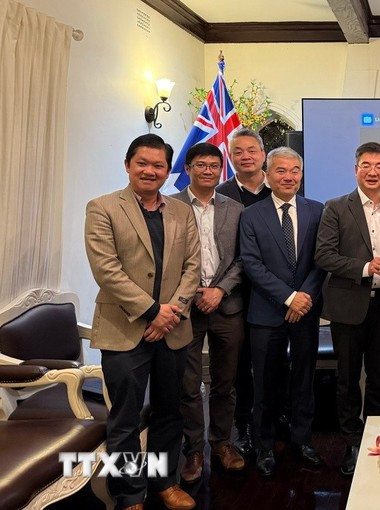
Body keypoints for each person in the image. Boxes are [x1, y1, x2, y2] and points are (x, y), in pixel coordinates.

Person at [84, 134, 200, 510]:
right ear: (128, 165)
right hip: (124, 329)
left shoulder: (182, 212)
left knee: (170, 411)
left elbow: (192, 267)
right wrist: (154, 311)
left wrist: (172, 313)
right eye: (143, 163)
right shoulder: (102, 208)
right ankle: (129, 495)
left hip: (173, 330)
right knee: (125, 418)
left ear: (169, 170)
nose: (151, 171)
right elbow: (107, 271)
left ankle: (164, 483)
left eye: (159, 165)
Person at [314, 142, 380, 476]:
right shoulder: (336, 207)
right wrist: (366, 267)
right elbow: (324, 256)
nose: (373, 171)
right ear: (356, 169)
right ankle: (352, 441)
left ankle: (377, 439)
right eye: (366, 165)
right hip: (347, 306)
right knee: (348, 378)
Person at [238, 147, 326, 476]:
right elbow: (251, 264)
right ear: (267, 174)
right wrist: (289, 297)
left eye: (295, 171)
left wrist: (304, 297)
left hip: (306, 311)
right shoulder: (251, 215)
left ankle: (302, 440)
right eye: (280, 171)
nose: (288, 177)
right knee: (264, 383)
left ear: (301, 175)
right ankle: (264, 446)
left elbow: (323, 261)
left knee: (304, 379)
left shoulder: (317, 211)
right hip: (266, 313)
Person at [171, 142, 246, 482]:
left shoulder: (236, 209)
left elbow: (245, 258)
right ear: (188, 168)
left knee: (225, 382)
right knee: (188, 385)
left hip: (226, 305)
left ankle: (221, 443)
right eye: (200, 165)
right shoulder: (169, 207)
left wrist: (220, 290)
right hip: (184, 309)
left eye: (214, 166)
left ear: (221, 170)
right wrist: (191, 294)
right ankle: (193, 450)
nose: (207, 171)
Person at [215, 128, 275, 458]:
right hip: (236, 296)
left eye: (252, 150)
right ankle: (244, 423)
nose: (246, 156)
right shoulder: (220, 194)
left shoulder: (280, 189)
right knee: (241, 366)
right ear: (230, 156)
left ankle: (275, 416)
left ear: (263, 154)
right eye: (239, 151)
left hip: (277, 294)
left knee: (276, 361)